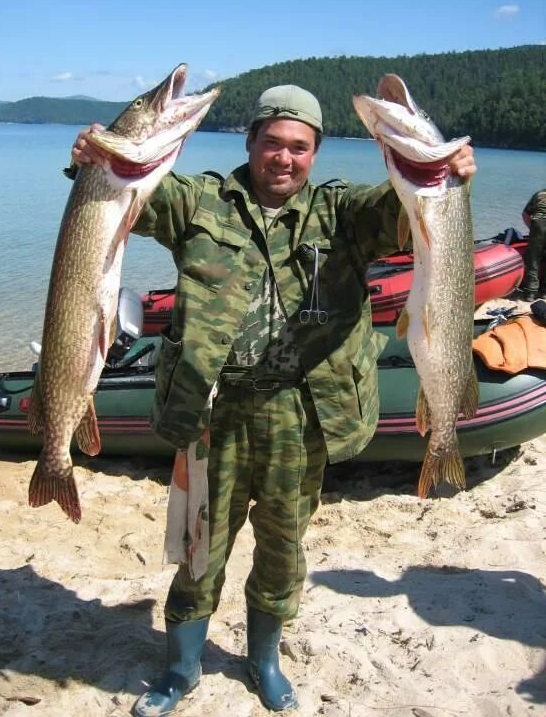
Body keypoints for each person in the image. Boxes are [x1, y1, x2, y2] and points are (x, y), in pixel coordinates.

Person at [71, 85, 476, 716]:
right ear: (251, 141)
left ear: (315, 152)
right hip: (214, 414)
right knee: (199, 548)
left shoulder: (343, 213)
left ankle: (262, 661)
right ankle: (180, 671)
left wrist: (450, 180)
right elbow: (126, 198)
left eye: (299, 147)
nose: (283, 159)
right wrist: (90, 164)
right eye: (272, 143)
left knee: (284, 548)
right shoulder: (198, 201)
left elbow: (408, 212)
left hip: (301, 415)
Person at [520, 189, 546, 301]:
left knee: (533, 260)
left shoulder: (539, 194)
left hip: (538, 225)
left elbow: (525, 214)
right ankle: (544, 292)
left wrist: (533, 230)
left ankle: (530, 292)